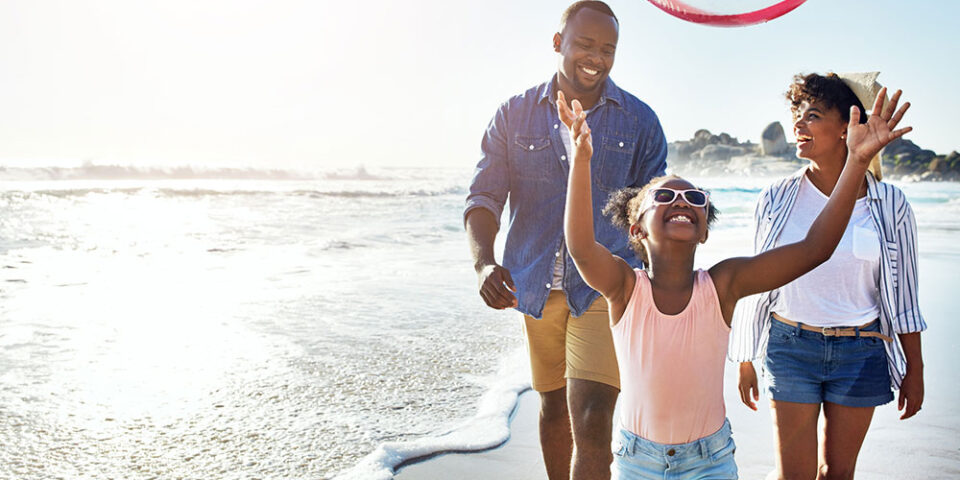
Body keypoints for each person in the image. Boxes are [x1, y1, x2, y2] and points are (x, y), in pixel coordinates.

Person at [558, 79, 911, 478]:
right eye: (665, 196)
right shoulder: (625, 288)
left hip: (710, 462)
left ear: (704, 230)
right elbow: (582, 247)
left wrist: (857, 162)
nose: (681, 201)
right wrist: (582, 159)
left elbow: (815, 248)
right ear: (637, 228)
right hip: (637, 461)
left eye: (695, 199)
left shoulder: (723, 284)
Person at [464, 2, 668, 478]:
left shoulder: (639, 121)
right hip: (533, 288)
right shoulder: (513, 115)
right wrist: (482, 263)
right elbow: (484, 197)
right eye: (584, 44)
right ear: (558, 43)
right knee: (553, 408)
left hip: (605, 288)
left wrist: (661, 290)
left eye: (607, 48)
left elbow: (651, 213)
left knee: (593, 418)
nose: (596, 57)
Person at [731, 73, 926, 480]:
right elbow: (757, 280)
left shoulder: (890, 203)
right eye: (797, 116)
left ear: (846, 127)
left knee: (838, 473)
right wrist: (745, 358)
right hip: (790, 347)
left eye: (813, 115)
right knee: (794, 476)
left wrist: (916, 369)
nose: (798, 126)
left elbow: (904, 295)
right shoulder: (775, 197)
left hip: (861, 351)